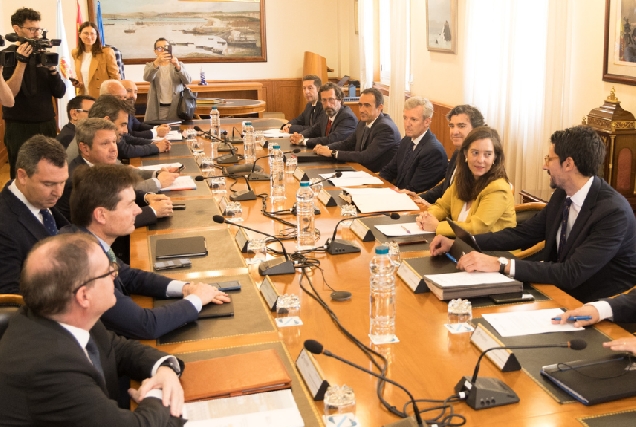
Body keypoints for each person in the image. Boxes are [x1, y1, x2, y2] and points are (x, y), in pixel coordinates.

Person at [430, 125, 636, 303]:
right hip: (555, 290)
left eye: (549, 159)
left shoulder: (612, 213)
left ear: (568, 164)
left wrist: (501, 264)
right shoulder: (563, 194)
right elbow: (523, 234)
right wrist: (461, 242)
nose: (545, 165)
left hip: (597, 305)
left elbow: (571, 273)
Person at [0, 233, 187, 425]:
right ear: (84, 296)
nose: (115, 275)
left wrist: (165, 369)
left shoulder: (66, 315)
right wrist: (159, 394)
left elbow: (119, 349)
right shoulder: (51, 367)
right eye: (107, 271)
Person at [62, 164, 230, 339]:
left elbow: (129, 276)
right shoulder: (82, 264)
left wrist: (186, 288)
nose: (137, 210)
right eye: (129, 205)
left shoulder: (84, 240)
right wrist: (196, 299)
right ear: (101, 215)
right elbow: (145, 325)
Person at [56, 118, 176, 228]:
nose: (113, 148)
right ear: (85, 148)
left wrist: (146, 197)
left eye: (114, 141)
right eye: (105, 143)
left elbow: (116, 192)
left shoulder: (101, 165)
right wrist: (152, 211)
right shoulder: (77, 181)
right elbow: (105, 223)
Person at [2, 8, 66, 179]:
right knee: (21, 173)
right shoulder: (6, 56)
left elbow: (60, 92)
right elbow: (9, 95)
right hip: (19, 126)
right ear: (17, 29)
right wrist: (21, 63)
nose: (37, 34)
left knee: (49, 169)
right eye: (32, 29)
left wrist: (52, 71)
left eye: (39, 29)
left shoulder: (43, 54)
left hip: (46, 123)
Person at [0, 135, 69, 294]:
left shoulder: (40, 201)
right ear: (22, 176)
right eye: (48, 184)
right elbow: (10, 297)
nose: (58, 192)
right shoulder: (4, 227)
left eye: (62, 182)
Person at [417, 126, 514, 236]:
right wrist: (427, 217)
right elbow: (442, 206)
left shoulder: (498, 189)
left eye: (487, 154)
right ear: (466, 154)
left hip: (490, 246)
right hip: (460, 243)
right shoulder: (462, 178)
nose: (480, 160)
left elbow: (476, 229)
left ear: (495, 157)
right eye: (475, 152)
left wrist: (437, 226)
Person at [405, 105, 485, 205]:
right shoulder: (458, 152)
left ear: (476, 129)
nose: (454, 132)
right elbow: (446, 186)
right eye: (452, 126)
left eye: (461, 126)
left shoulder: (479, 164)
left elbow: (465, 205)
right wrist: (419, 198)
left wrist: (434, 209)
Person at [314, 88, 401, 173]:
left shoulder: (386, 128)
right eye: (360, 105)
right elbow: (348, 143)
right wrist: (326, 148)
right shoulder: (363, 122)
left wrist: (332, 153)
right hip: (361, 171)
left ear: (380, 107)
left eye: (367, 105)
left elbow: (366, 156)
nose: (362, 110)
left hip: (378, 176)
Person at [66, 94, 169, 160]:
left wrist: (154, 143)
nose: (126, 130)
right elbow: (125, 151)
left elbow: (127, 138)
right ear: (107, 121)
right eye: (122, 125)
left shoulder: (101, 135)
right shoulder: (93, 142)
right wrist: (155, 147)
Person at [379, 97, 447, 193]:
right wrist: (375, 186)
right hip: (399, 194)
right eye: (405, 118)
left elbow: (415, 190)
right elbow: (389, 171)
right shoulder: (406, 140)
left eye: (413, 119)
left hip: (414, 199)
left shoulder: (433, 151)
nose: (407, 124)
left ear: (427, 122)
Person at [289, 82, 357, 149]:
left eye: (331, 99)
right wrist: (300, 136)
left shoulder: (347, 117)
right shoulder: (327, 113)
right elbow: (315, 129)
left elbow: (332, 139)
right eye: (324, 100)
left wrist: (303, 141)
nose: (327, 104)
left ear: (340, 100)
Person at [144, 38, 191, 121]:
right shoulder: (150, 65)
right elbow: (147, 78)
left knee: (176, 128)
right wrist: (156, 63)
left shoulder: (178, 64)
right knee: (157, 128)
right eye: (159, 48)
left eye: (165, 47)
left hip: (177, 107)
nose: (163, 50)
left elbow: (188, 81)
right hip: (158, 107)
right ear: (155, 51)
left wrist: (177, 66)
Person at [71, 22, 120, 99]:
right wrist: (78, 82)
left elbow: (115, 77)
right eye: (86, 33)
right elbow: (83, 74)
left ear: (97, 35)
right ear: (80, 35)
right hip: (83, 97)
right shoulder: (76, 53)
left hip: (102, 98)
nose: (89, 36)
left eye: (92, 33)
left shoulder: (106, 52)